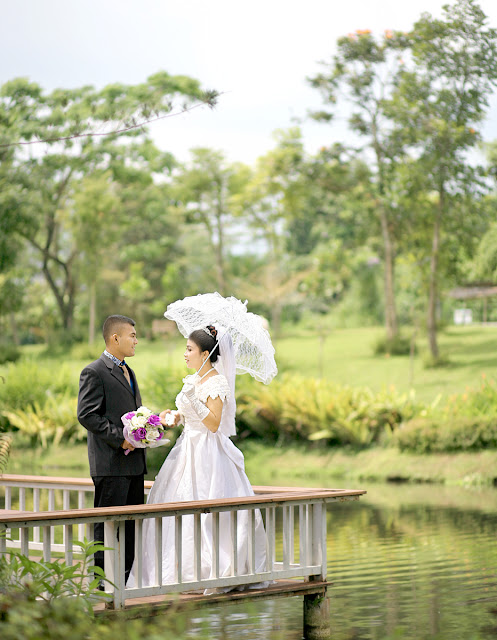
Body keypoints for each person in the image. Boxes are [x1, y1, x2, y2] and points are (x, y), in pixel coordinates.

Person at [128, 325, 268, 591]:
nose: (185, 354)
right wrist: (173, 417)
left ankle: (212, 570)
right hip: (185, 448)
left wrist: (194, 400)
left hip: (208, 453)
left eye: (189, 349)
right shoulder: (192, 380)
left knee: (206, 508)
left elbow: (214, 424)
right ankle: (173, 572)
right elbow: (186, 415)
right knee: (173, 508)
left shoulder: (216, 382)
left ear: (205, 354)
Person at [77, 314, 146, 584]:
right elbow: (87, 415)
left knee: (130, 530)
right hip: (110, 465)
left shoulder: (129, 371)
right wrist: (121, 438)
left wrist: (147, 429)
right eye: (132, 335)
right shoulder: (94, 371)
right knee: (106, 529)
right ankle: (100, 586)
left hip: (134, 465)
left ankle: (126, 584)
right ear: (115, 338)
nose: (136, 341)